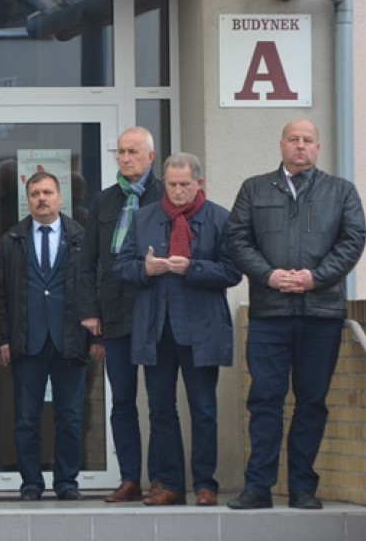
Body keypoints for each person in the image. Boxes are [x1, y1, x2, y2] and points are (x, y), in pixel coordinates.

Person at [225, 119, 366, 511]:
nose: (300, 146)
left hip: (321, 313)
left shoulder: (341, 191)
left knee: (311, 402)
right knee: (265, 399)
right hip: (270, 314)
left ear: (318, 148)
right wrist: (269, 275)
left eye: (308, 140)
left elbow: (353, 240)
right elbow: (237, 238)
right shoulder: (255, 188)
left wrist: (314, 278)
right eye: (294, 139)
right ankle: (258, 488)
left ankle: (304, 487)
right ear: (281, 144)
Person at [114, 153, 241, 507]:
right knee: (160, 409)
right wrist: (146, 269)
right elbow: (122, 266)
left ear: (199, 183)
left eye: (185, 184)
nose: (178, 191)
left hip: (201, 329)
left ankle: (205, 484)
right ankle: (169, 483)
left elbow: (233, 272)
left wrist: (192, 268)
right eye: (172, 185)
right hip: (157, 328)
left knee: (203, 409)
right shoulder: (144, 218)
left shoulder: (219, 218)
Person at [79, 126, 164, 503]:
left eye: (133, 151)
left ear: (151, 156)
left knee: (161, 402)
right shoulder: (104, 201)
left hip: (156, 311)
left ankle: (162, 478)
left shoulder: (166, 196)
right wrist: (90, 312)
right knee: (122, 401)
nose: (125, 158)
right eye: (121, 152)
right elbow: (87, 263)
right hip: (114, 312)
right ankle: (130, 478)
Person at [0, 171, 90, 501]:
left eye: (48, 192)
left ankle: (67, 482)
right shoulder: (12, 240)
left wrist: (95, 336)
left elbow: (92, 287)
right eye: (35, 193)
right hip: (28, 341)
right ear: (28, 199)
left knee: (70, 418)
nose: (42, 199)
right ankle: (31, 484)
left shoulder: (81, 236)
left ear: (60, 198)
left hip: (70, 339)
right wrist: (4, 337)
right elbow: (1, 295)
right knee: (25, 419)